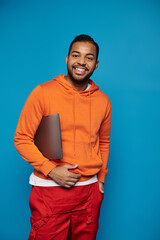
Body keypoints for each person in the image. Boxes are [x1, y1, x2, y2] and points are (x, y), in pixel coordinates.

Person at [14, 34, 111, 240]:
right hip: (50, 191)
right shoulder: (43, 92)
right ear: (67, 58)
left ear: (96, 64)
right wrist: (51, 170)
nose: (81, 62)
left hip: (89, 193)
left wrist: (100, 179)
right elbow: (22, 138)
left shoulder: (103, 101)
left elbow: (103, 141)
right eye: (76, 55)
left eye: (89, 58)